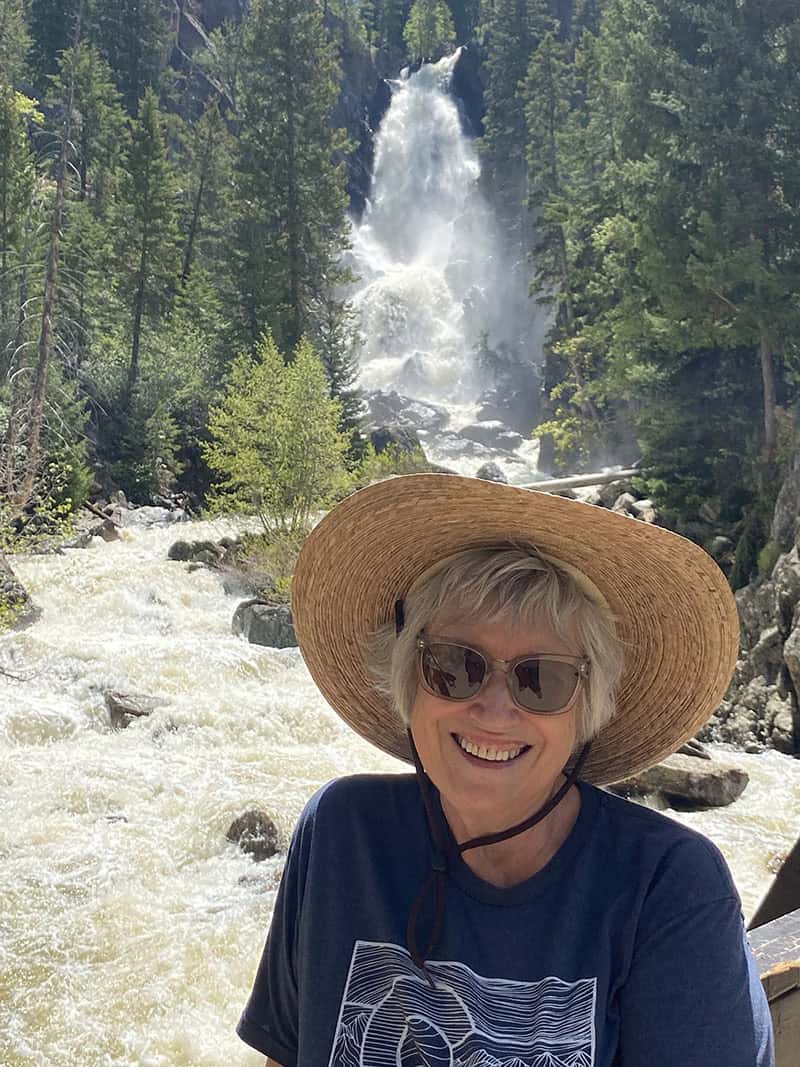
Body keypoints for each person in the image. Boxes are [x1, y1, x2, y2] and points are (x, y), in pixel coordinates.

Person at [237, 473, 774, 1067]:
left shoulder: (667, 886)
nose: (495, 709)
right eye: (454, 665)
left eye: (540, 678)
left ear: (588, 707)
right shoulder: (341, 833)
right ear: (408, 678)